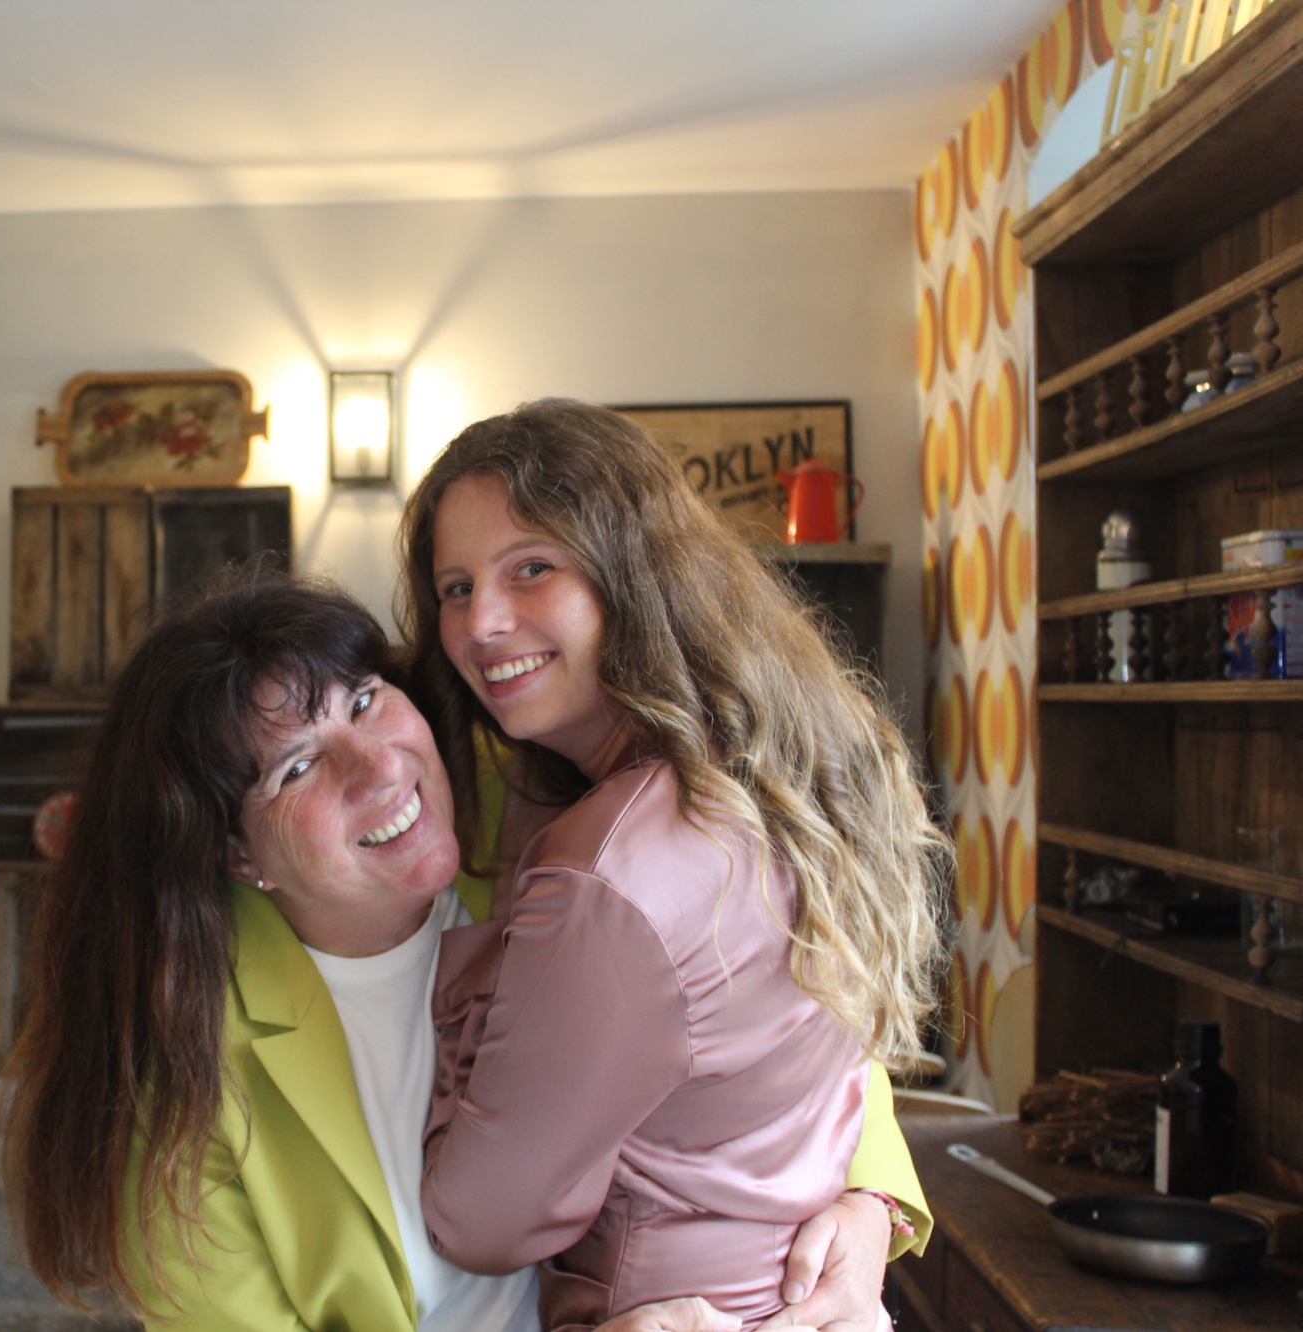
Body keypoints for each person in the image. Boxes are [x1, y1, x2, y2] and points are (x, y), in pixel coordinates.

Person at [3, 574, 930, 1332]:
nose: (379, 767)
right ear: (236, 856)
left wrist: (869, 1204)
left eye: (365, 701)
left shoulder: (552, 825)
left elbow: (782, 988)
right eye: (297, 766)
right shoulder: (182, 1081)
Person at [399, 400, 948, 1330]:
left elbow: (828, 1035)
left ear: (634, 572)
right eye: (455, 587)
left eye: (531, 568)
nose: (482, 622)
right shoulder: (782, 755)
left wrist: (871, 1201)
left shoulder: (644, 834)